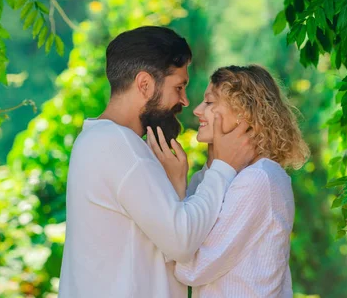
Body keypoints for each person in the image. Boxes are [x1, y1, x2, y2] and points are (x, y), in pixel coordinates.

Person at [58, 26, 256, 298]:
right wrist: (224, 167)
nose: (185, 101)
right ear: (145, 84)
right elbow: (181, 242)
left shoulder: (100, 141)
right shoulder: (117, 145)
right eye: (179, 87)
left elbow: (162, 242)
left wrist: (176, 184)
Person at [148, 65, 310, 298]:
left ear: (244, 112)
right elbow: (183, 236)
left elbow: (192, 269)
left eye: (210, 103)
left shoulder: (259, 179)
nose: (197, 110)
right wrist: (178, 180)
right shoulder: (211, 177)